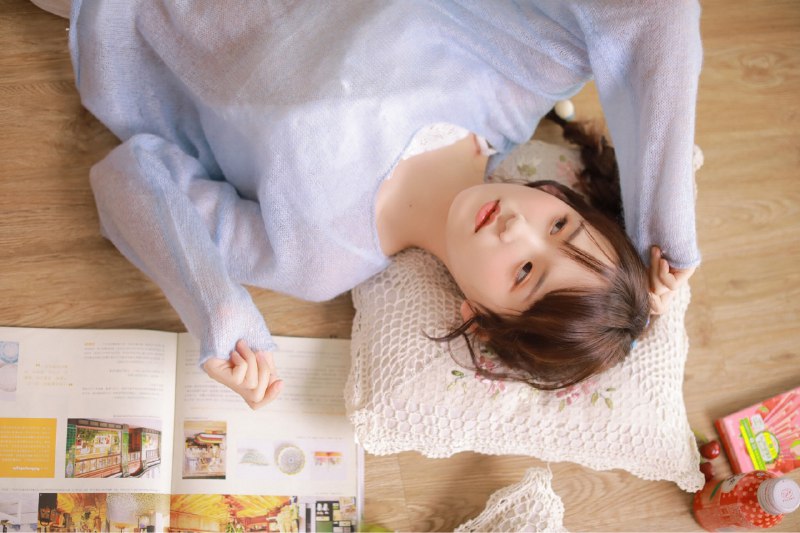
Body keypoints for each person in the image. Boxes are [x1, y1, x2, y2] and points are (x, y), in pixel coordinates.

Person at [63, 0, 701, 408]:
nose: (517, 226)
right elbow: (654, 14)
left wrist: (216, 306)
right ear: (563, 197)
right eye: (558, 224)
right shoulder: (511, 85)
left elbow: (130, 178)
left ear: (479, 318)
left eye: (526, 271)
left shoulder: (318, 259)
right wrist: (663, 233)